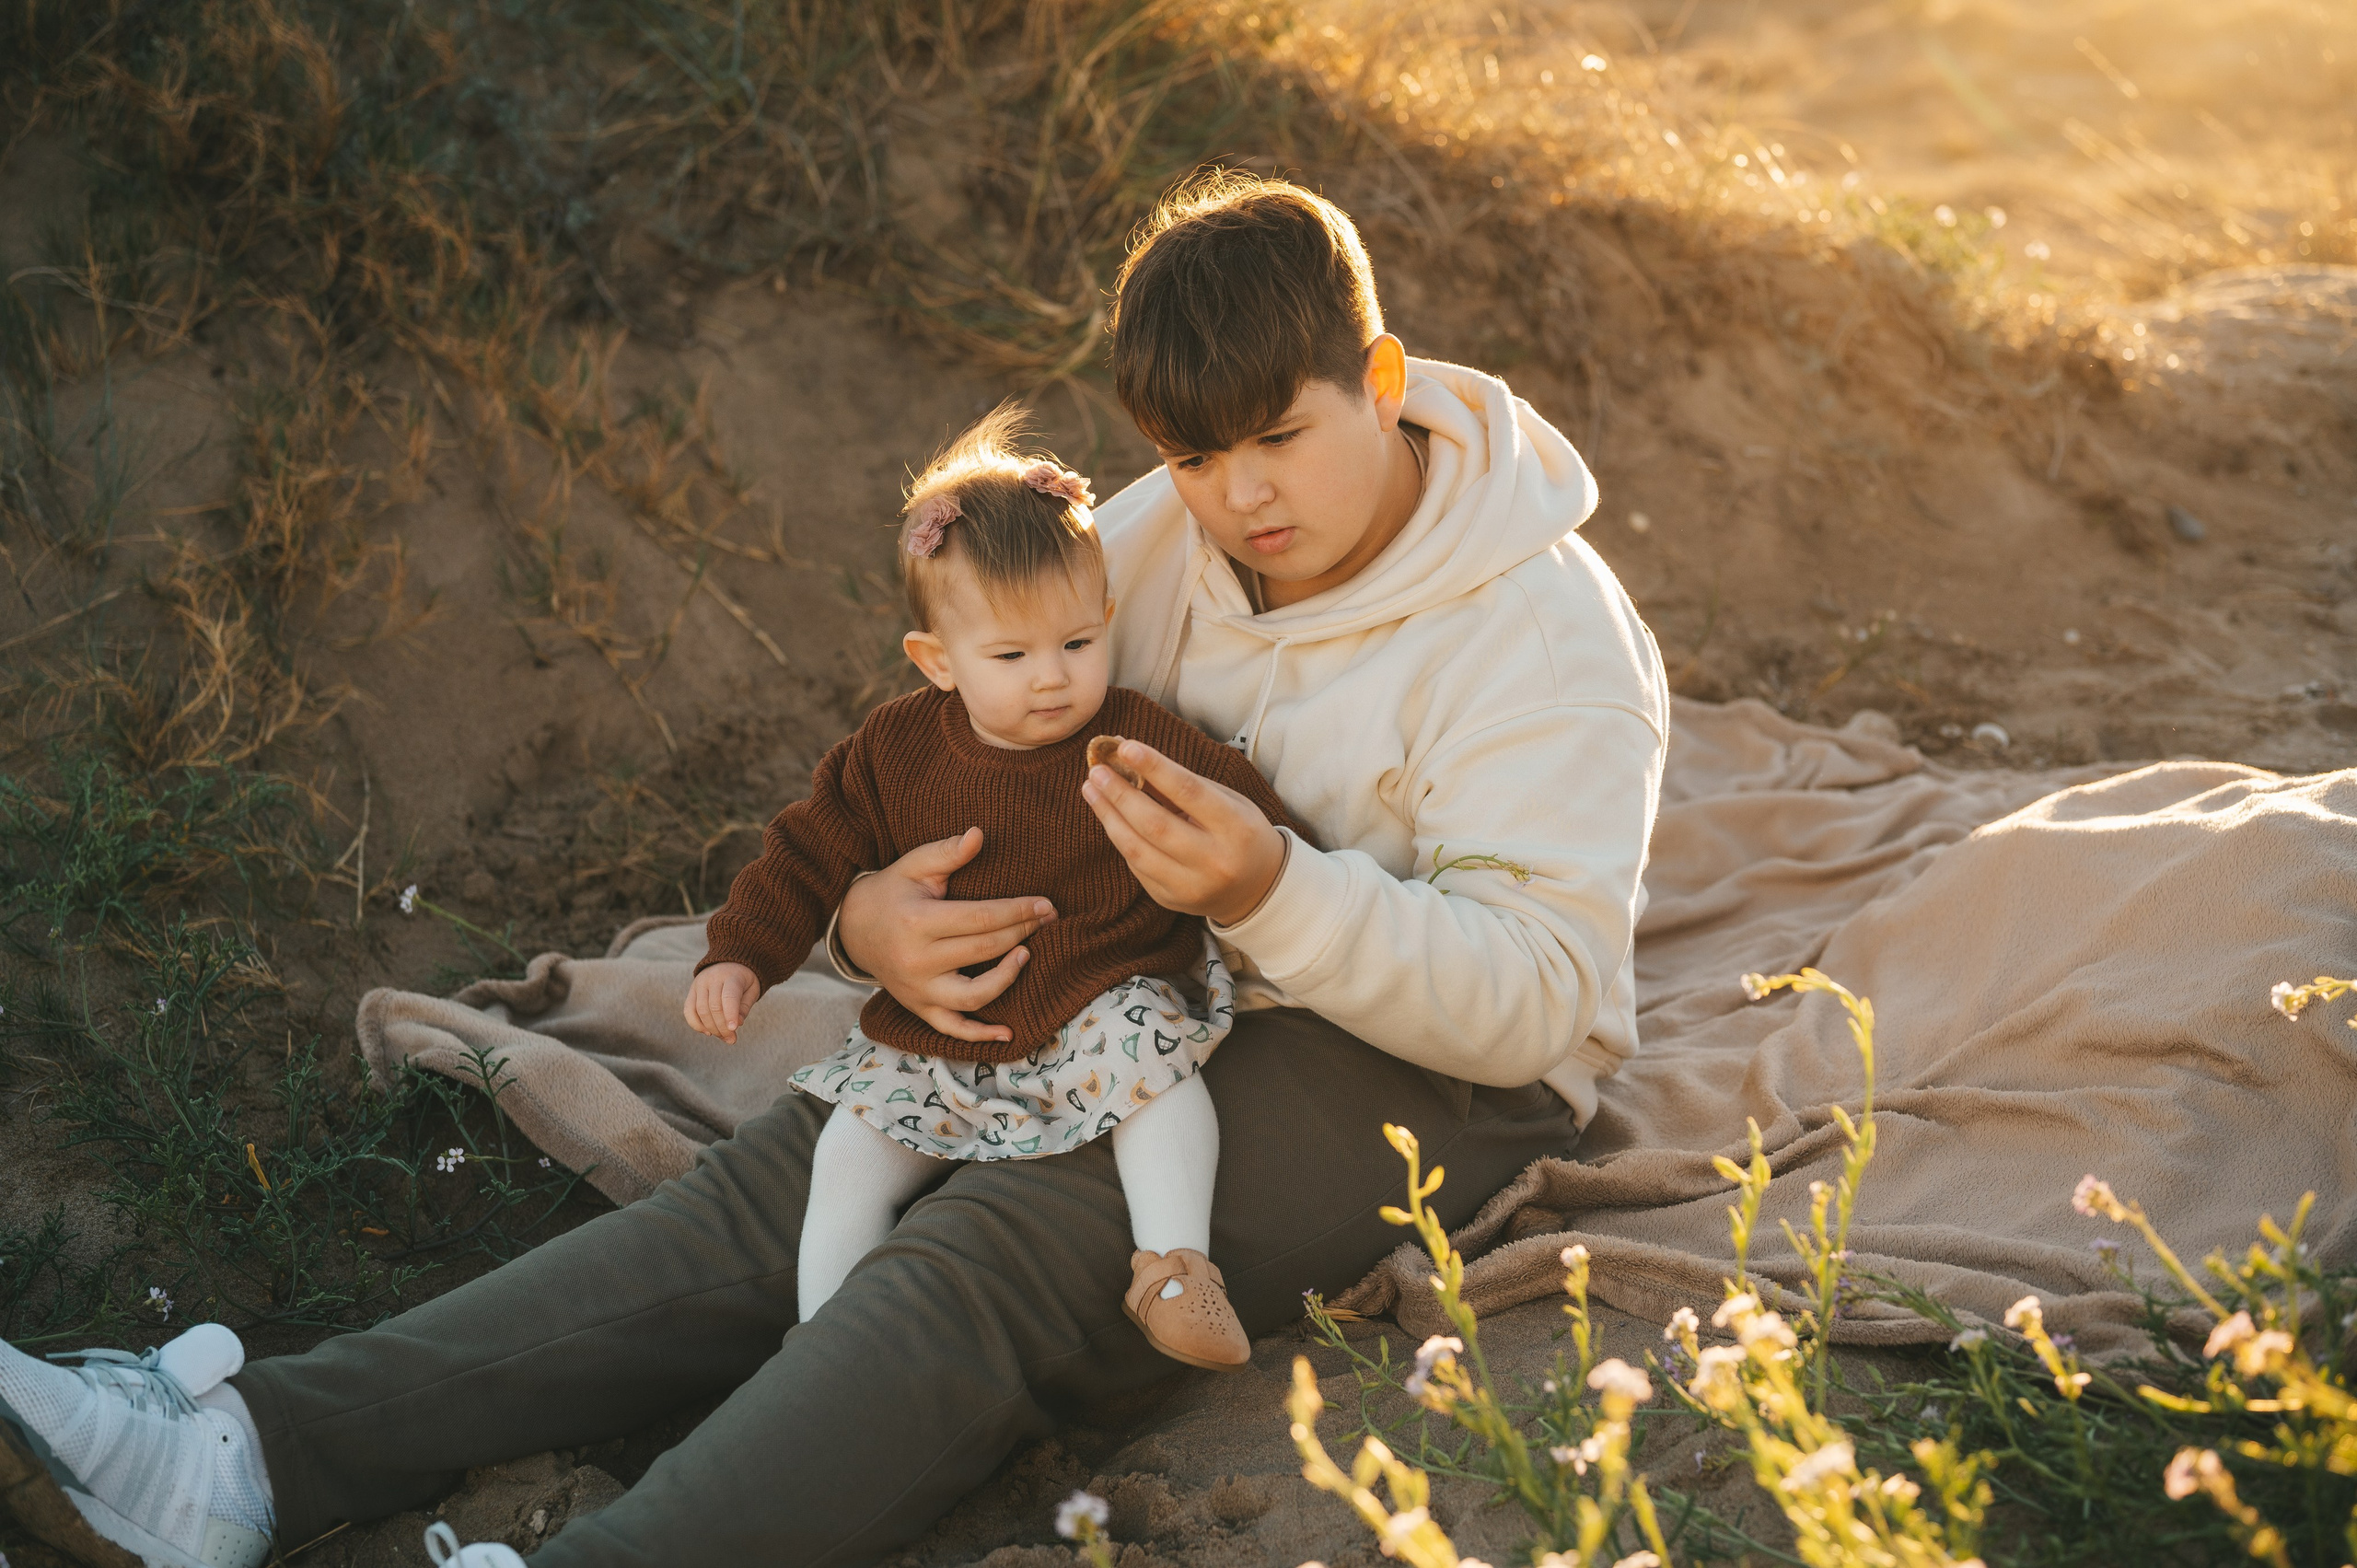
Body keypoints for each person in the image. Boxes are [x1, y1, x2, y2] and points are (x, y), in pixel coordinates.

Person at [0, 171, 1666, 1568]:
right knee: (811, 1161)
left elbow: (1539, 1003)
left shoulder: (1545, 636)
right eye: (1192, 451)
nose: (1238, 498)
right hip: (1153, 964)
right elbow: (968, 737)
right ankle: (243, 1452)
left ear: (1379, 373)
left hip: (1429, 1055)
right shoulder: (1167, 530)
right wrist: (879, 917)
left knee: (1008, 1234)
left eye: (1279, 442)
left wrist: (1272, 891)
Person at [682, 409, 1313, 1369]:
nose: (1052, 680)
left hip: (1104, 991)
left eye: (1074, 642)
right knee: (850, 1150)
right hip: (950, 1025)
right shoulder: (892, 750)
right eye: (1010, 658)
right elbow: (804, 853)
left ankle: (1176, 1269)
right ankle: (825, 1338)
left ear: (1106, 621)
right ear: (937, 661)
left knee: (1163, 1081)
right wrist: (739, 952)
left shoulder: (1132, 734)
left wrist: (1298, 869)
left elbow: (1248, 815)